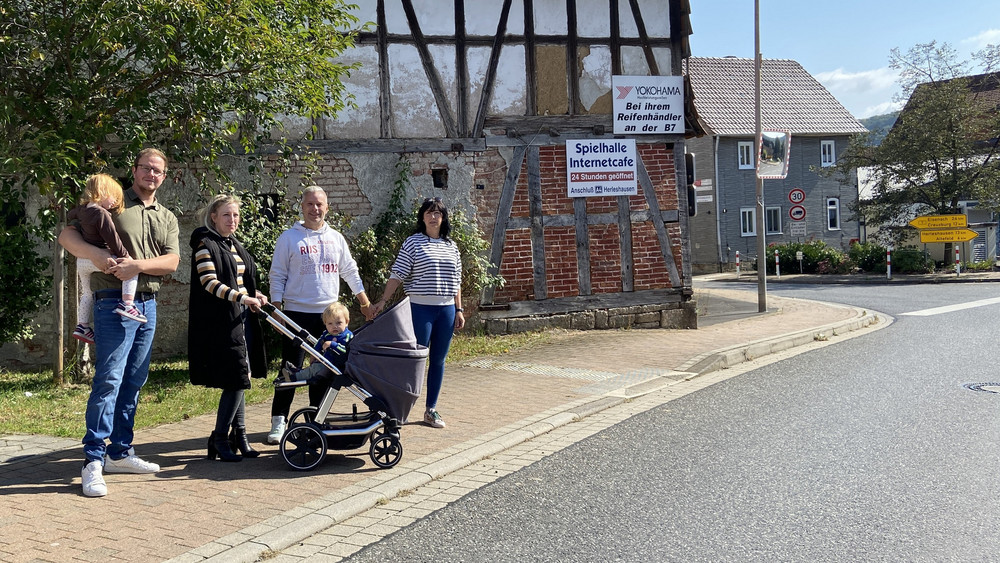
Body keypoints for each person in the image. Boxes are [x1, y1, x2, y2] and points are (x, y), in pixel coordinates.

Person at [58, 148, 180, 497]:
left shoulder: (166, 216)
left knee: (134, 379)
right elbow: (67, 236)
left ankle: (120, 452)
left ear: (164, 177)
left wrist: (137, 267)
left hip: (147, 303)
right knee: (109, 379)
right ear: (135, 170)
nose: (151, 175)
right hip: (112, 300)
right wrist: (96, 254)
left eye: (157, 171)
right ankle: (92, 461)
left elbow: (171, 262)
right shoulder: (112, 199)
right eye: (146, 169)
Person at [267, 186, 372, 443]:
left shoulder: (336, 238)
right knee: (289, 369)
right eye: (310, 204)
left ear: (327, 207)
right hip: (296, 314)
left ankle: (316, 419)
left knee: (325, 369)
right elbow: (277, 274)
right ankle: (278, 422)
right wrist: (277, 308)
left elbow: (350, 270)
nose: (315, 209)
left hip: (328, 318)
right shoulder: (289, 238)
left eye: (320, 204)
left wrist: (364, 302)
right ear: (302, 207)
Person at [188, 194, 269, 462]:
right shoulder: (204, 244)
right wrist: (241, 297)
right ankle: (220, 437)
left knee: (241, 376)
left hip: (242, 316)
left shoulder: (234, 244)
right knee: (235, 377)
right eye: (226, 215)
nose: (232, 220)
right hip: (222, 321)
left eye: (235, 215)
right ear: (213, 217)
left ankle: (240, 435)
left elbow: (240, 279)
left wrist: (255, 294)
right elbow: (209, 282)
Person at [372, 197, 465, 429]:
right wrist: (383, 300)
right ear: (422, 217)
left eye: (438, 213)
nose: (433, 217)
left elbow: (457, 281)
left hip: (446, 310)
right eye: (429, 213)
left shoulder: (451, 246)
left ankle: (431, 409)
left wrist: (459, 309)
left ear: (443, 218)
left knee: (438, 360)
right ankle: (399, 408)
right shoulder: (413, 243)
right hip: (420, 309)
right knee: (415, 360)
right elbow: (398, 273)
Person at [67, 174, 147, 345]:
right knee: (131, 270)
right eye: (113, 198)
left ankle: (82, 326)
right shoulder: (102, 214)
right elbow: (112, 239)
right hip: (101, 258)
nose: (114, 203)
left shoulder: (82, 209)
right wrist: (126, 257)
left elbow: (70, 214)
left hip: (83, 261)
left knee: (87, 293)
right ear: (102, 192)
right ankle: (127, 304)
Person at [281, 301, 353, 383]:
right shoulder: (326, 334)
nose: (334, 326)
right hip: (326, 363)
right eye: (330, 324)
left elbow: (346, 351)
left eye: (339, 323)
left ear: (346, 322)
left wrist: (332, 344)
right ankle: (297, 371)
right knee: (314, 366)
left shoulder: (347, 336)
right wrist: (313, 354)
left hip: (338, 365)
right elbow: (318, 344)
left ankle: (294, 377)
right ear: (325, 324)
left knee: (315, 369)